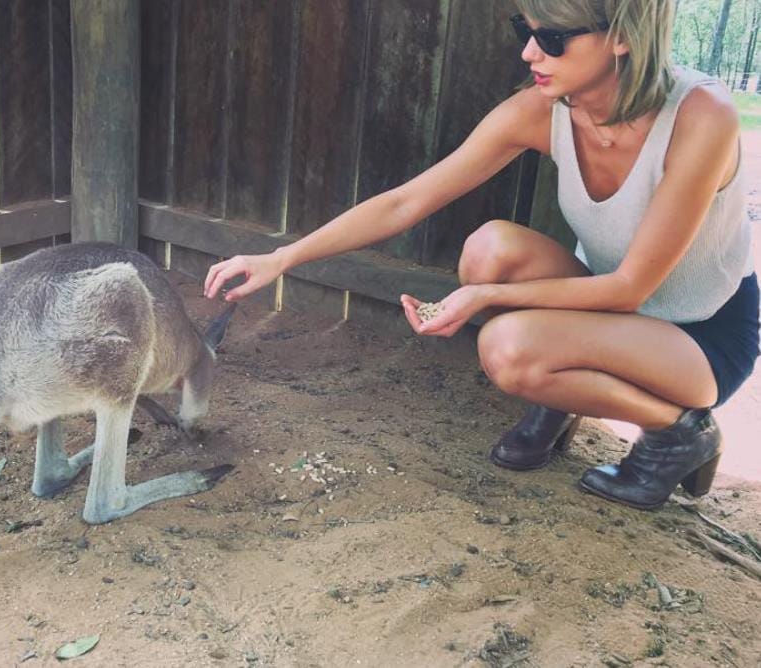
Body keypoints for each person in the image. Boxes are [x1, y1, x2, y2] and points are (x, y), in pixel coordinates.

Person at [203, 0, 757, 510]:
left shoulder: (700, 115)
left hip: (699, 335)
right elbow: (405, 202)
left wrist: (484, 297)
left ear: (623, 37)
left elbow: (630, 288)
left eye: (552, 38)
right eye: (525, 30)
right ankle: (560, 395)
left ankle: (681, 432)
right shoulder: (543, 110)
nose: (529, 52)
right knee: (489, 249)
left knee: (508, 350)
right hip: (607, 309)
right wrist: (282, 257)